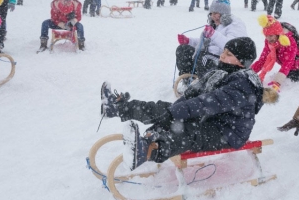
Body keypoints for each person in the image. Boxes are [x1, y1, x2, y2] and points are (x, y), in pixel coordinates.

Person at [100, 37, 278, 171]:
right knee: (164, 108)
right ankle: (117, 108)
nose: (222, 55)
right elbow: (192, 96)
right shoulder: (220, 73)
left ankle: (148, 151)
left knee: (188, 132)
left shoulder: (243, 84)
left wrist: (173, 115)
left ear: (242, 62)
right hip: (211, 119)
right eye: (224, 51)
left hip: (228, 132)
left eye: (229, 54)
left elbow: (209, 102)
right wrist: (167, 115)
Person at [177, 0, 247, 79]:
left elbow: (232, 47)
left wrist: (213, 34)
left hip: (227, 62)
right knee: (183, 50)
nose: (213, 17)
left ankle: (205, 83)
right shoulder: (218, 24)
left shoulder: (235, 24)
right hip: (213, 55)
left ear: (224, 13)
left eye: (215, 13)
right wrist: (189, 41)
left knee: (202, 57)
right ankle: (189, 79)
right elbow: (208, 42)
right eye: (211, 13)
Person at [251, 15, 299, 92]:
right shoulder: (269, 42)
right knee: (291, 74)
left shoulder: (289, 41)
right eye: (266, 36)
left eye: (271, 36)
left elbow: (288, 63)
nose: (268, 39)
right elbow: (262, 59)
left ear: (277, 33)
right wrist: (249, 73)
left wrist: (277, 82)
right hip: (295, 62)